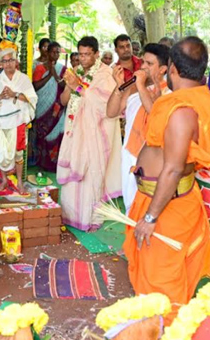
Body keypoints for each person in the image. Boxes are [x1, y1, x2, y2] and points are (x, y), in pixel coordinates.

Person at [123, 37, 210, 323]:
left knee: (162, 285)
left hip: (167, 206)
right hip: (160, 197)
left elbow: (172, 168)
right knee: (154, 278)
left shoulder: (181, 111)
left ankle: (166, 329)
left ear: (174, 71)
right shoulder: (186, 99)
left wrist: (151, 217)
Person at [57, 36, 121, 231]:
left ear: (96, 54)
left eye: (87, 55)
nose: (83, 59)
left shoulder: (105, 74)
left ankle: (92, 218)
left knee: (93, 174)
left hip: (96, 134)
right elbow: (64, 101)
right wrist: (70, 85)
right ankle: (70, 216)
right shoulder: (75, 72)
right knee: (73, 175)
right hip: (74, 132)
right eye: (80, 55)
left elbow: (104, 104)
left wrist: (78, 86)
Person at [107, 43, 170, 213]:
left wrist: (141, 86)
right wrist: (119, 85)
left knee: (146, 210)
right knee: (130, 206)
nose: (143, 67)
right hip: (129, 155)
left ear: (163, 69)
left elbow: (155, 115)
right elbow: (111, 112)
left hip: (152, 163)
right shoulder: (134, 89)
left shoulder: (169, 94)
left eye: (149, 64)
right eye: (143, 62)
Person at [0, 48, 37, 194]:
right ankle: (4, 180)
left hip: (18, 120)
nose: (8, 64)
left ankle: (19, 182)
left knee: (18, 152)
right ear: (0, 63)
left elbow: (32, 98)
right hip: (1, 121)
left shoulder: (23, 79)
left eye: (10, 60)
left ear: (16, 61)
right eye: (5, 61)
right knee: (1, 151)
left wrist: (15, 94)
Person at [32, 41, 67, 172]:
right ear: (47, 52)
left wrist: (55, 74)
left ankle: (55, 163)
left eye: (58, 52)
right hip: (42, 107)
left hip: (57, 107)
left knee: (57, 132)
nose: (56, 54)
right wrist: (49, 75)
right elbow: (35, 86)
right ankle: (42, 162)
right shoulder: (40, 68)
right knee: (43, 134)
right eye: (53, 51)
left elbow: (65, 86)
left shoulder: (62, 69)